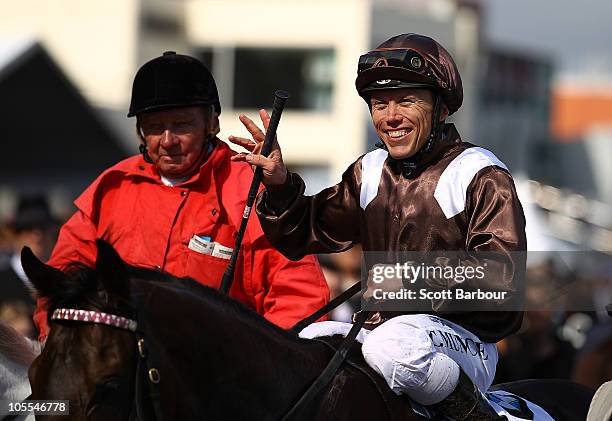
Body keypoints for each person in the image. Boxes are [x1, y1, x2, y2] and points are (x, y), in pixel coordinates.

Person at [230, 34, 526, 420]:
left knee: (392, 346)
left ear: (439, 108)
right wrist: (280, 185)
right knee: (301, 345)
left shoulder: (480, 173)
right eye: (380, 103)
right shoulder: (369, 171)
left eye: (406, 101)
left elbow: (501, 283)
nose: (391, 116)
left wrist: (411, 280)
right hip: (377, 330)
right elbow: (304, 232)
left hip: (464, 343)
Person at [33, 51, 330, 341]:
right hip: (120, 374)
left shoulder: (249, 190)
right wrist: (55, 338)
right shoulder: (111, 189)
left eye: (181, 125)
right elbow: (62, 280)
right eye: (154, 127)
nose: (167, 141)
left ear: (212, 123)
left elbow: (297, 297)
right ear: (139, 131)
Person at [0, 195, 59, 338]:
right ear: (15, 233)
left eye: (43, 228)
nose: (36, 235)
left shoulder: (64, 279)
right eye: (28, 228)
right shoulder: (1, 280)